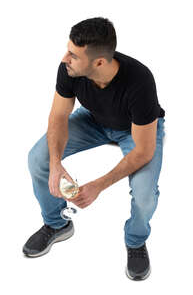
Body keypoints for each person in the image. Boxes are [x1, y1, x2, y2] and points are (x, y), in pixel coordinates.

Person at [23, 17, 166, 281]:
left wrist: (98, 185)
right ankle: (57, 223)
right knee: (38, 159)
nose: (65, 58)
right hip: (94, 121)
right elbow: (58, 117)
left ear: (99, 62)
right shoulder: (69, 69)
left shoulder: (140, 81)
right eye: (68, 50)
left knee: (145, 193)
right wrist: (56, 164)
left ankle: (135, 240)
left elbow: (144, 151)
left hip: (135, 130)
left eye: (73, 55)